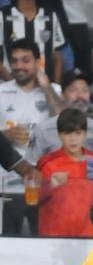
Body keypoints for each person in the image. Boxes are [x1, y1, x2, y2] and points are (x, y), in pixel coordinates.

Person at [0, 40, 66, 235]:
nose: (19, 66)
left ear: (38, 61)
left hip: (44, 183)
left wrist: (46, 86)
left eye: (25, 60)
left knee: (45, 244)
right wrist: (4, 135)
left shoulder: (53, 90)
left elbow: (64, 123)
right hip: (7, 183)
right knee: (7, 247)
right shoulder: (1, 92)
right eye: (14, 61)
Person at [35, 110, 93, 238]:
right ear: (59, 135)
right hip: (52, 234)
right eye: (67, 133)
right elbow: (33, 198)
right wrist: (50, 185)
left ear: (85, 134)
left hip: (86, 232)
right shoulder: (47, 162)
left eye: (78, 133)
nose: (73, 139)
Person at [2, 0, 69, 84]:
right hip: (11, 86)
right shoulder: (3, 16)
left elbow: (57, 56)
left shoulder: (50, 16)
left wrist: (55, 85)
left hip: (44, 88)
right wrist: (12, 83)